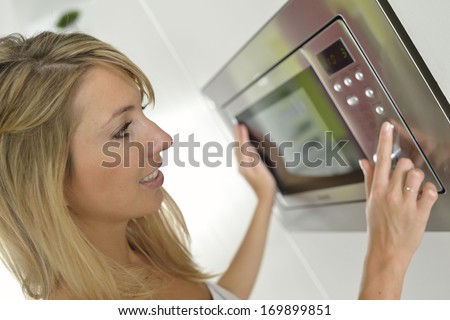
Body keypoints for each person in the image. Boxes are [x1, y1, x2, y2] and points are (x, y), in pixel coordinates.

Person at [0, 31, 438, 300]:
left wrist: (264, 199)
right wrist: (387, 259)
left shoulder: (130, 254)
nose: (164, 140)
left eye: (141, 111)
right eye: (121, 132)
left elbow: (220, 303)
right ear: (47, 182)